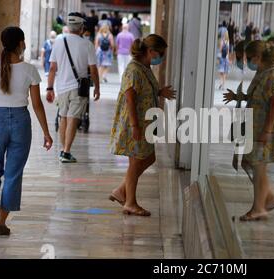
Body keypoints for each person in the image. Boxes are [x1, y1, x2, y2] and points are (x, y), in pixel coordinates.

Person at [0, 27, 53, 236]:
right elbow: (37, 104)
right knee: (13, 174)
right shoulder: (30, 70)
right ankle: (2, 223)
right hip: (21, 121)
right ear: (20, 43)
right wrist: (46, 133)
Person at [109, 34, 176, 216]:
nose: (161, 57)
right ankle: (129, 202)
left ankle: (122, 191)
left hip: (146, 122)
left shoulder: (145, 68)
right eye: (160, 53)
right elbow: (130, 98)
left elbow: (146, 89)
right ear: (150, 51)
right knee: (137, 161)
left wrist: (160, 92)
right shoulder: (133, 69)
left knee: (147, 158)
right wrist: (135, 126)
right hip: (135, 122)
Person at [223, 41, 274, 221]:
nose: (248, 62)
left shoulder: (273, 76)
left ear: (259, 57)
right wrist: (238, 97)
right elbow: (258, 96)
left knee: (258, 166)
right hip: (255, 125)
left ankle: (258, 208)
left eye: (250, 58)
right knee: (249, 162)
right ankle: (269, 198)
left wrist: (267, 131)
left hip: (265, 128)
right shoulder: (262, 73)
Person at [46, 12, 101, 163]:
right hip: (79, 88)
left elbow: (52, 68)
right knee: (73, 119)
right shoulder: (87, 44)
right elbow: (94, 69)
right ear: (82, 27)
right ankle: (66, 151)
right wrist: (97, 87)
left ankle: (64, 151)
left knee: (63, 117)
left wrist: (49, 88)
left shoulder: (58, 41)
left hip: (61, 87)